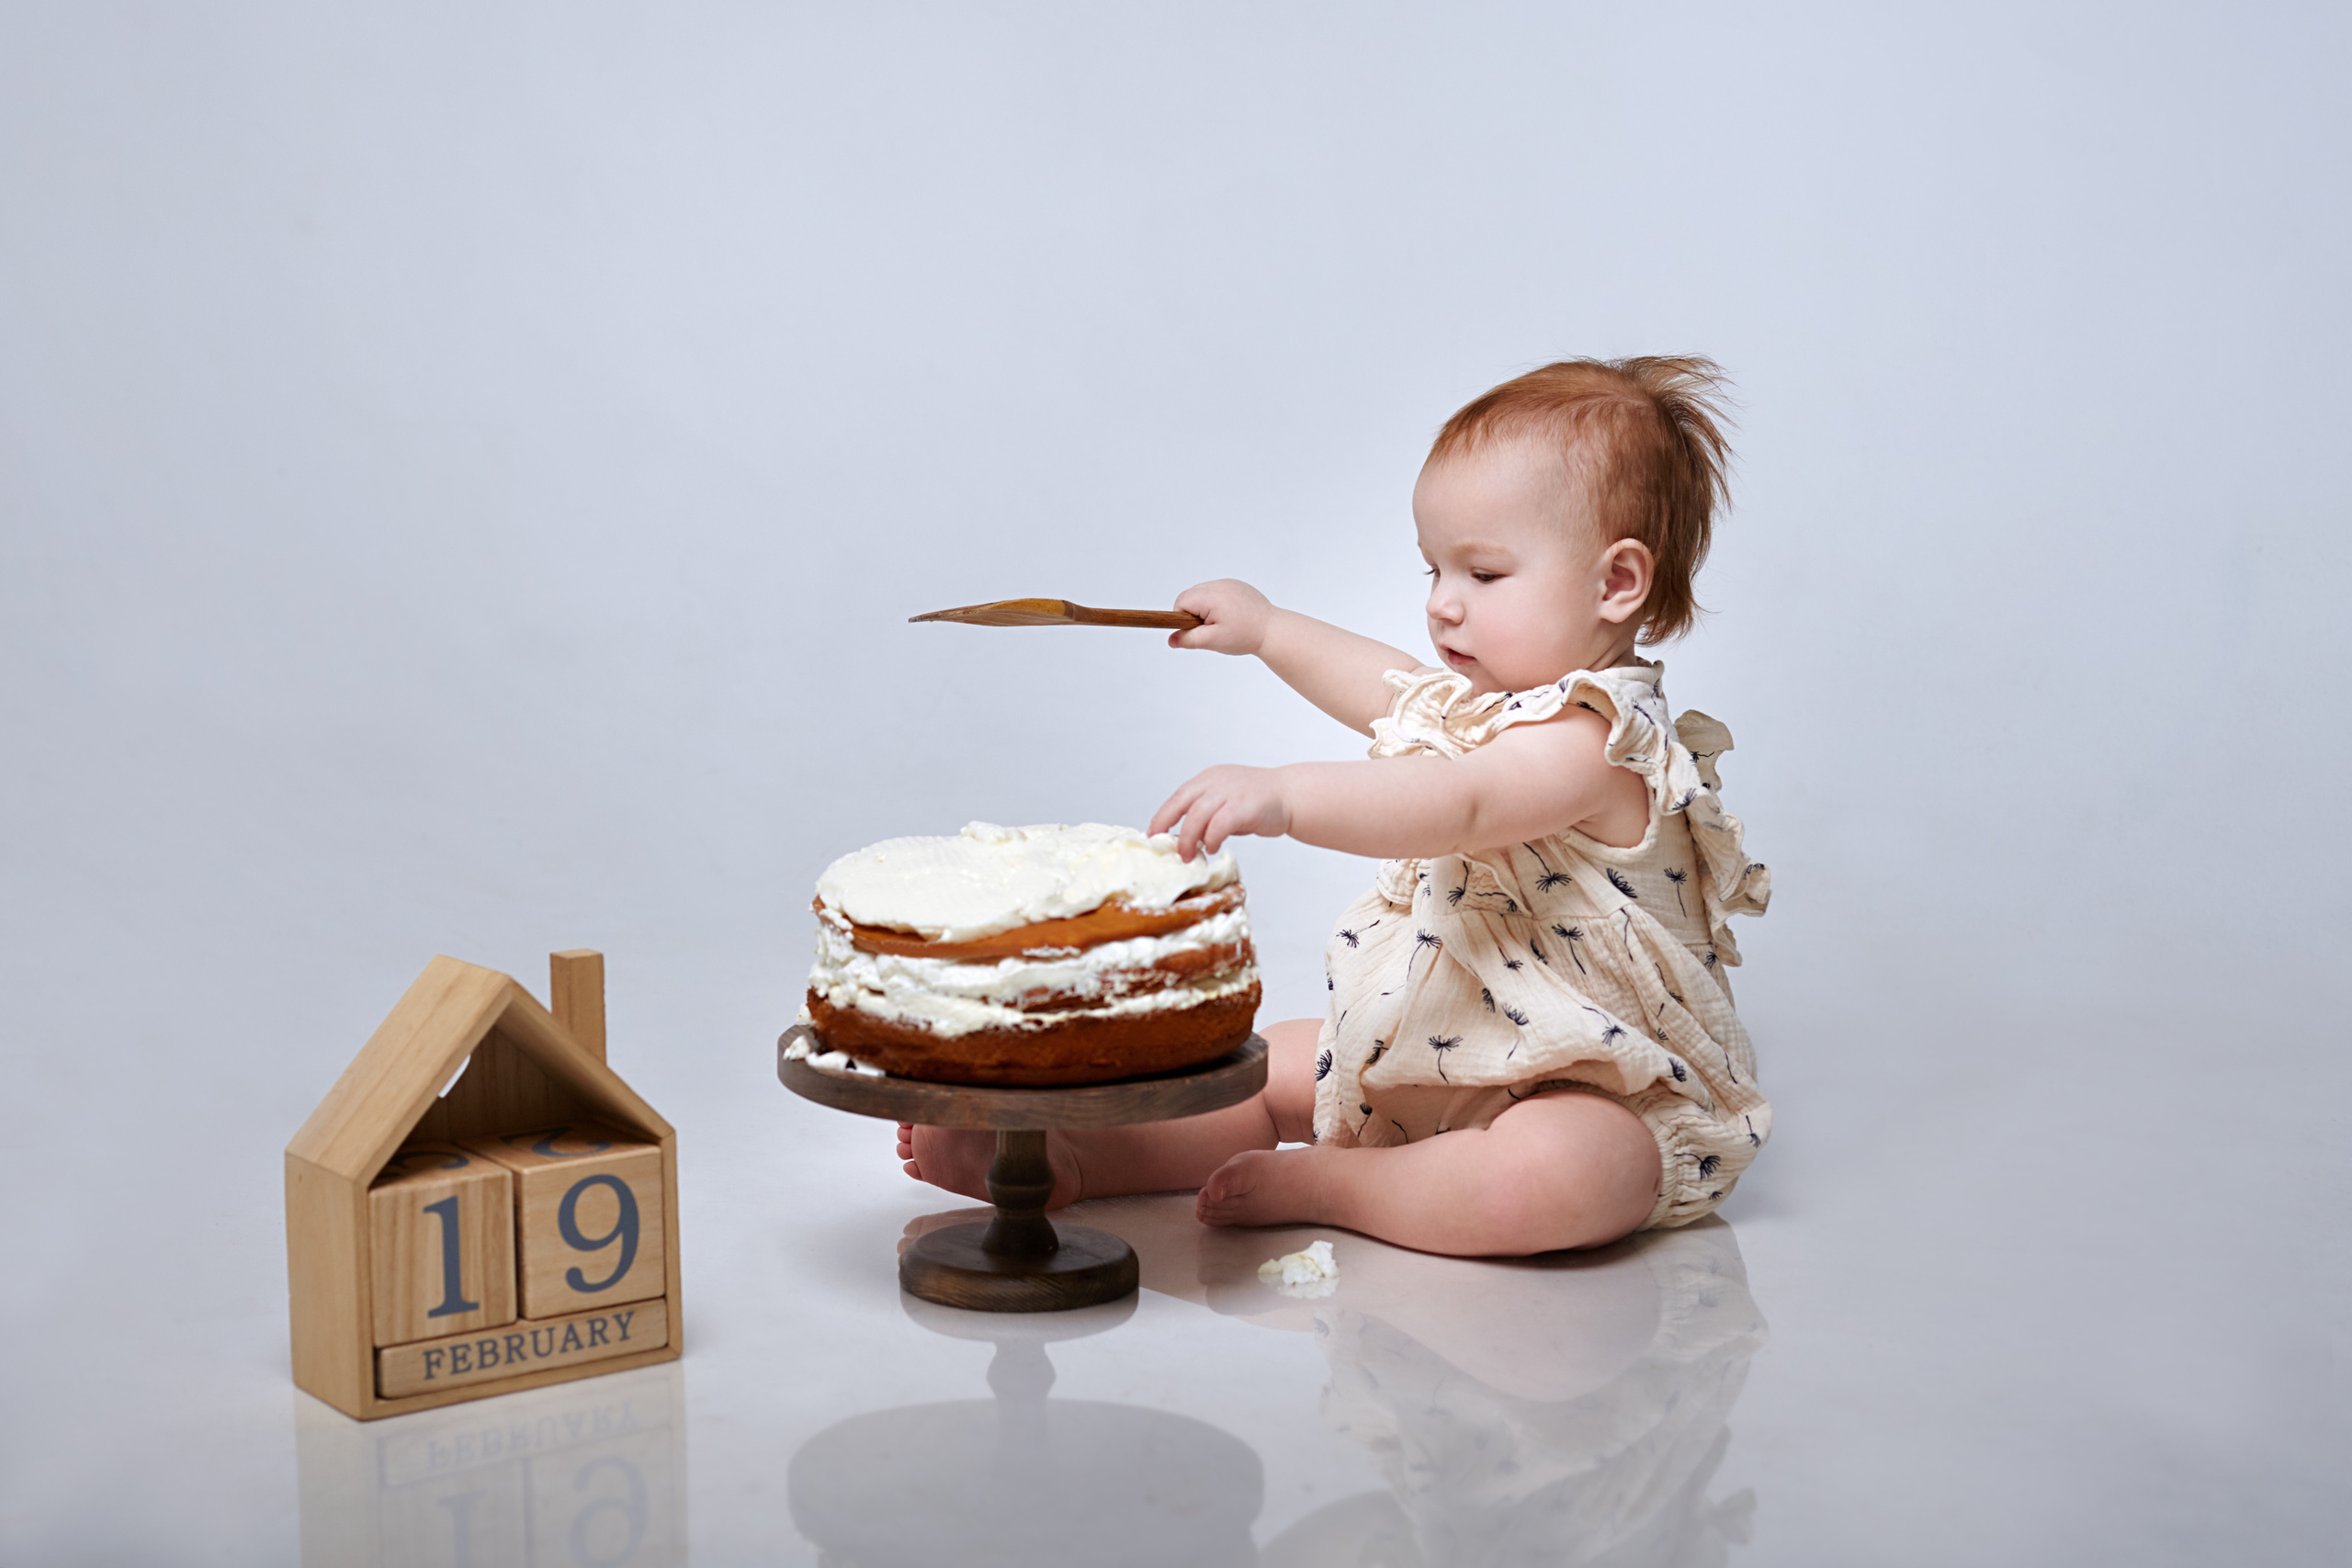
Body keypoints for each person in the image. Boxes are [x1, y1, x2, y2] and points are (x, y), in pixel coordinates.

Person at [900, 358, 1770, 1254]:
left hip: (1588, 1085)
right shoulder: (1485, 711)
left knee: (1559, 1175)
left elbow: (1464, 802)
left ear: (1616, 583)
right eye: (1433, 569)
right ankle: (1074, 1158)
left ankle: (1343, 1184)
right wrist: (1271, 631)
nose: (1442, 606)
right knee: (1264, 1063)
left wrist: (1285, 795)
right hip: (1440, 1042)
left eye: (1483, 573)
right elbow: (1391, 689)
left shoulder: (1595, 743)